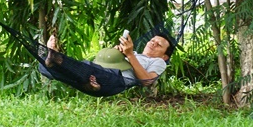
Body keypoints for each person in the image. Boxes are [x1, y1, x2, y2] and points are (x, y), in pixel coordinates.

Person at [37, 31, 175, 97]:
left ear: (164, 56)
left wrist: (129, 55)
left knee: (88, 71)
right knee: (44, 68)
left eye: (159, 45)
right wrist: (117, 53)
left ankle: (57, 58)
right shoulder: (134, 53)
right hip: (100, 69)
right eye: (152, 40)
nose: (153, 44)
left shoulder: (158, 62)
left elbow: (147, 81)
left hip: (116, 79)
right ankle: (90, 84)